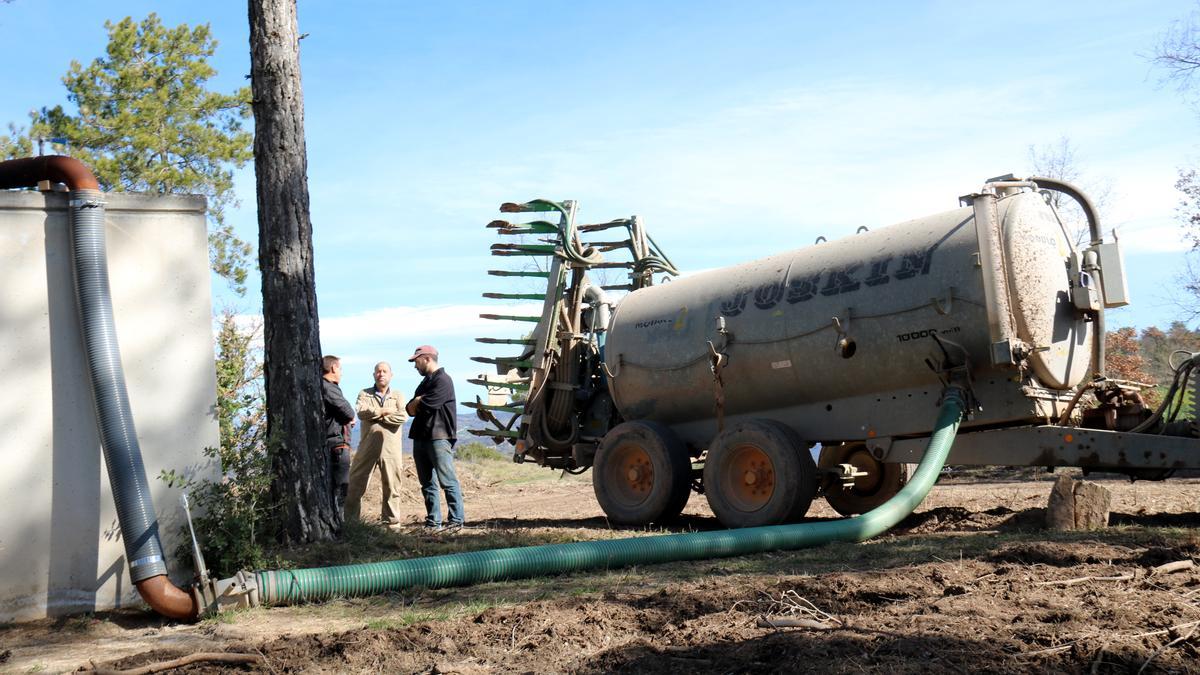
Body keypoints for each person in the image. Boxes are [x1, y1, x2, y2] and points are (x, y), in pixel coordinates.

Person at [406, 345, 464, 531]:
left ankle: (456, 522)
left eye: (416, 361)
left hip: (439, 438)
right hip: (420, 437)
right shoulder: (425, 383)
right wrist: (417, 401)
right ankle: (433, 523)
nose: (415, 366)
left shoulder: (444, 380)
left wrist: (418, 401)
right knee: (427, 484)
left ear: (427, 359)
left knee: (447, 481)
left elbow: (428, 405)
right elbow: (409, 409)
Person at [345, 361, 408, 525]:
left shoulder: (398, 395)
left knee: (392, 487)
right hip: (367, 446)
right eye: (378, 371)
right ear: (374, 375)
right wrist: (383, 411)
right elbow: (361, 412)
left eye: (385, 371)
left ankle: (392, 524)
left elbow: (402, 417)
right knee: (355, 483)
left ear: (391, 375)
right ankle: (351, 523)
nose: (381, 374)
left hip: (391, 450)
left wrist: (377, 416)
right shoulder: (364, 394)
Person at [321, 355, 355, 515]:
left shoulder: (319, 387)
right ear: (333, 368)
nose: (341, 372)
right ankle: (339, 526)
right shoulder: (329, 387)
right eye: (340, 369)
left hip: (329, 444)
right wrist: (348, 418)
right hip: (336, 446)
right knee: (340, 488)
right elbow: (348, 412)